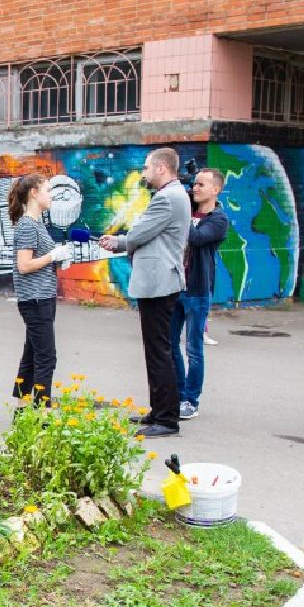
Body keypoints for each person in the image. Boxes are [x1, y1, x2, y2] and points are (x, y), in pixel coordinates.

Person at [100, 148, 190, 438]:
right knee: (158, 349)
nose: (144, 172)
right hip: (162, 281)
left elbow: (139, 233)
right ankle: (160, 410)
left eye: (147, 167)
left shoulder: (166, 198)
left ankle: (166, 419)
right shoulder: (174, 195)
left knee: (159, 351)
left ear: (162, 168)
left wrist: (116, 242)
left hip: (158, 282)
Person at [7, 174, 70, 406]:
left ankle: (23, 407)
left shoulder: (36, 223)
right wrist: (52, 256)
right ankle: (42, 410)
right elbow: (24, 266)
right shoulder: (26, 225)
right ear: (34, 193)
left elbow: (38, 260)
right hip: (34, 300)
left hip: (42, 297)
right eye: (47, 190)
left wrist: (58, 259)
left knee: (33, 353)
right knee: (47, 357)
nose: (51, 195)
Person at [173, 167, 228, 421]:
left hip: (197, 290)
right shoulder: (189, 209)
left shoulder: (218, 219)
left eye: (202, 185)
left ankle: (191, 400)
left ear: (216, 189)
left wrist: (180, 210)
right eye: (194, 184)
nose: (195, 188)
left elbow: (194, 237)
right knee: (169, 344)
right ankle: (177, 392)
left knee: (194, 348)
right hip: (175, 287)